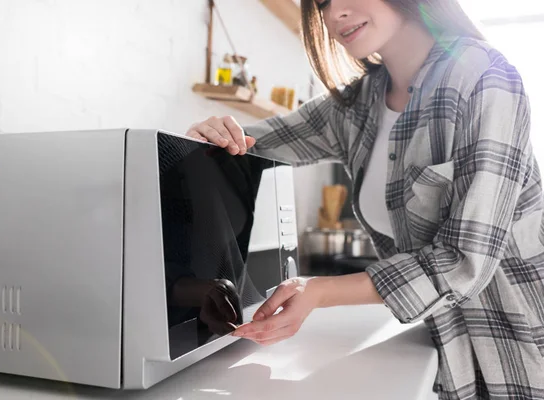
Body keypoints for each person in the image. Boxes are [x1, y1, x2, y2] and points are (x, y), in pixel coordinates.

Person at [186, 0, 544, 398]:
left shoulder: (484, 76)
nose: (333, 12)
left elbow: (466, 261)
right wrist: (212, 135)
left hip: (522, 337)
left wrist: (319, 292)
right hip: (447, 340)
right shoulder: (356, 105)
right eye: (321, 2)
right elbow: (247, 147)